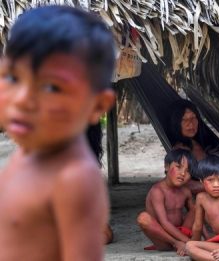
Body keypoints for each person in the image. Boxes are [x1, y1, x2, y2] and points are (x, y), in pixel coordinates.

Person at [0, 6, 116, 261]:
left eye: (51, 86)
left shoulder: (73, 178)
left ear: (97, 105)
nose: (22, 99)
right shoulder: (27, 158)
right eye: (12, 77)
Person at [136, 149, 196, 255]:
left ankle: (186, 243)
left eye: (188, 171)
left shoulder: (185, 191)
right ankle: (177, 243)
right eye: (178, 167)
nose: (183, 173)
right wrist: (188, 242)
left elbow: (196, 215)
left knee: (197, 206)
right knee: (143, 218)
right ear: (166, 166)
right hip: (165, 239)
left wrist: (205, 239)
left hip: (182, 232)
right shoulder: (157, 191)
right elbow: (164, 223)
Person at [168, 99, 219, 194]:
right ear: (176, 123)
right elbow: (183, 184)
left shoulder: (202, 141)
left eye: (194, 117)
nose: (191, 123)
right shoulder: (180, 150)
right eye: (184, 119)